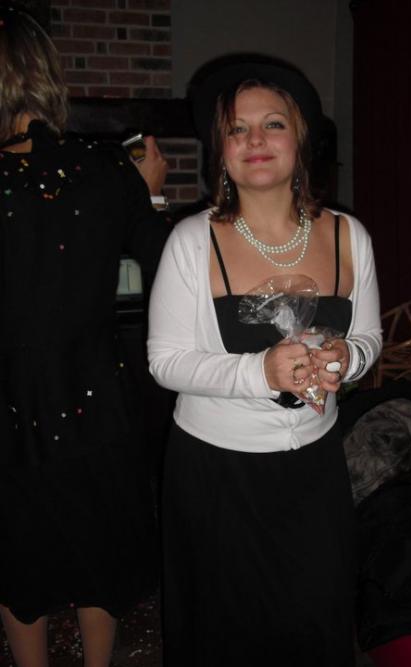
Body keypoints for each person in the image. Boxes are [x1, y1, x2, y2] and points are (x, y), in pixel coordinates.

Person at [148, 57, 382, 667]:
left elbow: (369, 339)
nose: (255, 139)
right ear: (221, 151)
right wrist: (260, 372)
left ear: (300, 140)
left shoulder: (349, 236)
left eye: (273, 124)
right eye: (237, 128)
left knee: (316, 624)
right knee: (223, 638)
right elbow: (165, 362)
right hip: (216, 476)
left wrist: (346, 357)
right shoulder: (192, 240)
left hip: (315, 473)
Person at [0, 6, 170, 666]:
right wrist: (145, 193)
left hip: (11, 408)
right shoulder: (106, 170)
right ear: (46, 74)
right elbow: (169, 268)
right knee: (103, 555)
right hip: (97, 400)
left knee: (20, 564)